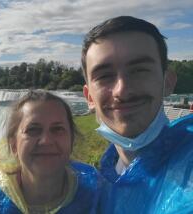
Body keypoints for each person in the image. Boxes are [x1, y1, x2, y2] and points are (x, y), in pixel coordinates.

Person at [81, 16, 193, 213]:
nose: (122, 91)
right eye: (105, 76)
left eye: (140, 70)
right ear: (89, 97)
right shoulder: (101, 184)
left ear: (167, 82)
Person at [0, 90, 100, 213]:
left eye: (57, 129)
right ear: (13, 145)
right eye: (33, 130)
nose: (46, 140)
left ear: (72, 140)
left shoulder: (100, 199)